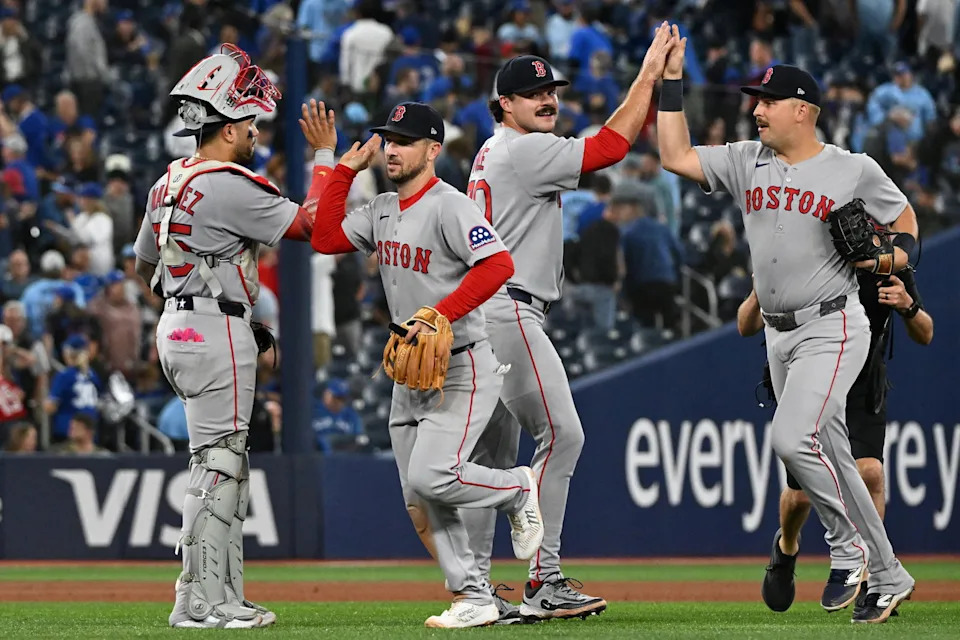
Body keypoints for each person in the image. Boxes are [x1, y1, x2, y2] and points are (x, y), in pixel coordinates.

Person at [656, 24, 918, 623]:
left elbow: (905, 219)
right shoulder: (748, 161)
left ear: (803, 111)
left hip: (832, 324)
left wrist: (887, 258)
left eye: (768, 102)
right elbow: (674, 156)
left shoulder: (852, 168)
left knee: (789, 439)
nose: (756, 110)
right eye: (757, 100)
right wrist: (671, 83)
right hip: (778, 332)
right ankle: (889, 572)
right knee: (833, 457)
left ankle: (846, 547)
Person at [460, 26, 674, 622]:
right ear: (505, 104)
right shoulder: (522, 150)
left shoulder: (492, 150)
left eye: (551, 90)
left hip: (490, 309)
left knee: (495, 462)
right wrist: (649, 75)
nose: (547, 99)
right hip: (509, 306)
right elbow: (611, 148)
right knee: (564, 435)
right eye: (533, 94)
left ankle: (475, 592)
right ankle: (543, 580)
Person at [310, 101, 544, 629]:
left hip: (462, 365)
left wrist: (439, 314)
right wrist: (344, 169)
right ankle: (474, 597)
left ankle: (515, 488)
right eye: (388, 139)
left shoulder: (449, 205)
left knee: (433, 476)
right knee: (419, 497)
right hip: (408, 372)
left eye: (405, 140)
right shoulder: (383, 209)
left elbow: (499, 265)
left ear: (432, 150)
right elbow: (324, 238)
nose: (392, 149)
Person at [132, 45, 334, 630]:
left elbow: (145, 263)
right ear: (227, 127)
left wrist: (204, 298)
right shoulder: (227, 181)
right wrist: (325, 156)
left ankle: (225, 594)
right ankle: (195, 600)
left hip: (181, 323)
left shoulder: (168, 180)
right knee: (219, 464)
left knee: (228, 463)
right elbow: (311, 224)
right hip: (210, 330)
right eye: (248, 124)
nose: (254, 134)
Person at [738, 265, 933, 614]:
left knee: (870, 471)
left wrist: (908, 305)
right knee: (799, 497)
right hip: (811, 372)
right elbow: (744, 325)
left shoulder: (888, 263)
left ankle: (876, 578)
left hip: (862, 380)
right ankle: (786, 546)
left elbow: (926, 332)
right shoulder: (805, 254)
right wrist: (759, 292)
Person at [43, 333, 101, 443]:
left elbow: (50, 406)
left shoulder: (65, 375)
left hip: (68, 431)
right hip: (90, 432)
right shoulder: (93, 375)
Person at [311, 377, 365, 453]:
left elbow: (357, 439)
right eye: (335, 397)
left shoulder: (351, 416)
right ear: (326, 393)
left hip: (341, 456)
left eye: (342, 399)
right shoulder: (313, 410)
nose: (338, 402)